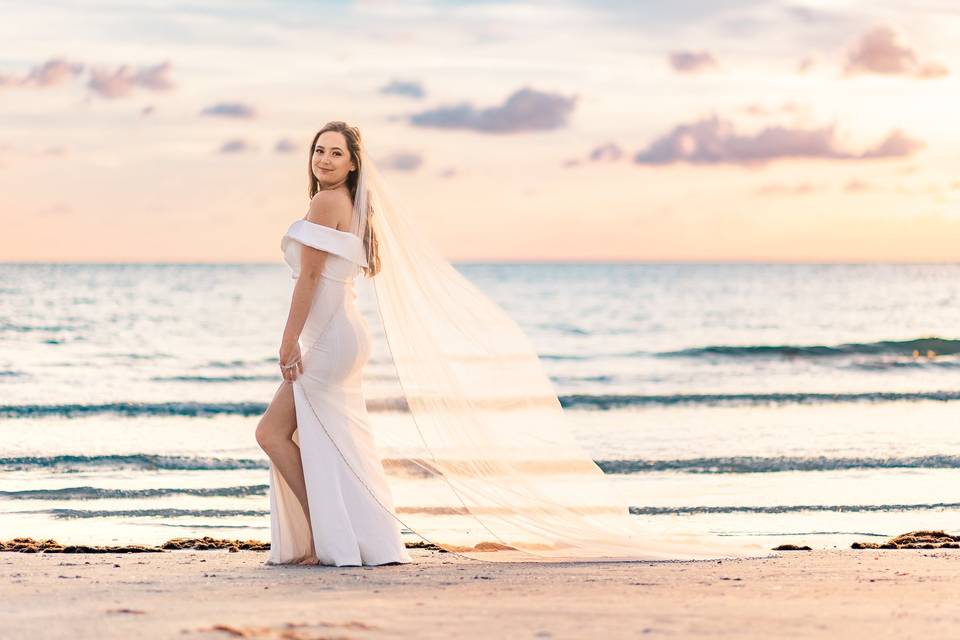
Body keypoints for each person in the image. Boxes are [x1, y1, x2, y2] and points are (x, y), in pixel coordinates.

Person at [257, 120, 774, 566]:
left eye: (335, 152)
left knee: (274, 434)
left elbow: (308, 281)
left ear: (352, 164)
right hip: (344, 335)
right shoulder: (348, 203)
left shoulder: (327, 202)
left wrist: (288, 341)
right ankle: (353, 539)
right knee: (335, 442)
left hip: (325, 338)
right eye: (319, 150)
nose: (324, 159)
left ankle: (329, 540)